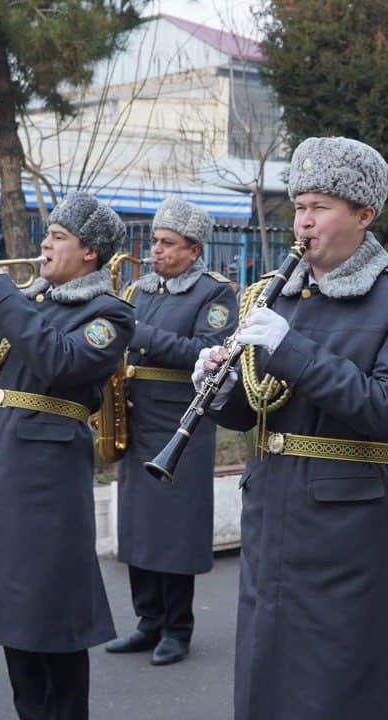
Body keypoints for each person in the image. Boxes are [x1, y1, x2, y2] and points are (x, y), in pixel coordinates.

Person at [194, 136, 388, 720]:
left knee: (335, 678)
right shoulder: (278, 295)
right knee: (264, 669)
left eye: (320, 207)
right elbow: (254, 410)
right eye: (299, 207)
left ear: (363, 215)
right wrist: (216, 385)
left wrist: (290, 350)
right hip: (271, 507)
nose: (303, 222)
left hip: (343, 523)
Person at [0, 192, 135, 720]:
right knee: (13, 612)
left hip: (49, 480)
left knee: (53, 613)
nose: (45, 243)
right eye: (47, 233)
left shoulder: (109, 314)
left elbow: (58, 360)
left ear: (89, 253)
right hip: (4, 465)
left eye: (59, 236)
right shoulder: (34, 302)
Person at [106, 198, 238, 666]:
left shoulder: (214, 293)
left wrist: (138, 333)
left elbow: (206, 353)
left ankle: (177, 629)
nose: (155, 251)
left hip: (182, 419)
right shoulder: (139, 289)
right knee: (138, 525)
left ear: (194, 249)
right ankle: (147, 621)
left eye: (168, 243)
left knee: (175, 530)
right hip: (138, 416)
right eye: (155, 241)